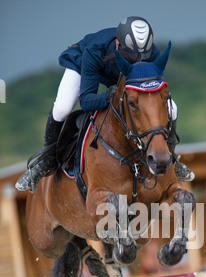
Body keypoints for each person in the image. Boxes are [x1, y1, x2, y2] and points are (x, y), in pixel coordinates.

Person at [15, 16, 194, 193]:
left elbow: (153, 95)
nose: (138, 60)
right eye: (132, 56)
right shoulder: (95, 51)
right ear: (118, 45)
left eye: (142, 57)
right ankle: (46, 160)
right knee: (62, 108)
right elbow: (86, 100)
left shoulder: (151, 53)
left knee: (172, 107)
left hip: (125, 81)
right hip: (83, 65)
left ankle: (172, 158)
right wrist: (110, 96)